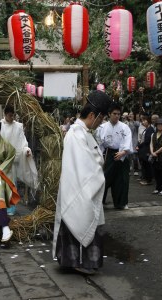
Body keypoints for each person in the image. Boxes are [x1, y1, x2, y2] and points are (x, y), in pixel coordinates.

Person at [52, 90, 111, 275]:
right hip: (78, 186)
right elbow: (85, 164)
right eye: (100, 119)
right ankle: (77, 261)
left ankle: (77, 261)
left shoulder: (82, 132)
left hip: (81, 185)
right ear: (92, 115)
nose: (101, 123)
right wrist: (99, 168)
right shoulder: (76, 134)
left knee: (83, 220)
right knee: (79, 219)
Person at [0, 106, 38, 216]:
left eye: (13, 115)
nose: (12, 117)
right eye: (9, 115)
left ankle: (10, 208)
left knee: (11, 185)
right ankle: (0, 207)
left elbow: (23, 142)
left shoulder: (18, 126)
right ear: (5, 114)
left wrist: (26, 150)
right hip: (0, 161)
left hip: (12, 161)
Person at [97, 102, 133, 209]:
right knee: (104, 178)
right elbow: (99, 143)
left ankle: (121, 203)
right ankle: (99, 202)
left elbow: (128, 140)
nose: (117, 116)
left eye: (118, 114)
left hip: (122, 153)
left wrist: (124, 152)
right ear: (109, 114)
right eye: (114, 113)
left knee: (122, 180)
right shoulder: (102, 127)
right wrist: (99, 156)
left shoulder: (124, 127)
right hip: (108, 154)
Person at [137, 115, 154, 186]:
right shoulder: (146, 128)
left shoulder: (150, 129)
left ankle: (148, 180)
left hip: (147, 149)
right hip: (144, 149)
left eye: (145, 120)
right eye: (142, 121)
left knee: (147, 165)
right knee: (145, 165)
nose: (143, 122)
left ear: (148, 121)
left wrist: (139, 146)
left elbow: (147, 140)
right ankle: (145, 178)